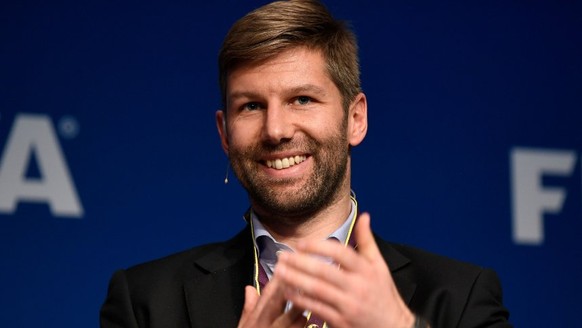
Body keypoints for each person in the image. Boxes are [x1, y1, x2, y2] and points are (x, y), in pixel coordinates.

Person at [100, 1, 511, 327]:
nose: (275, 129)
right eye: (251, 106)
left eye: (302, 99)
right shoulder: (145, 302)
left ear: (355, 118)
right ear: (224, 133)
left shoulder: (461, 296)